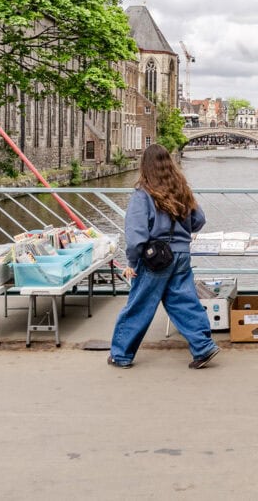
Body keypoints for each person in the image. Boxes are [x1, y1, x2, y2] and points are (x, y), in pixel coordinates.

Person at [109, 144, 219, 370]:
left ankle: (121, 354)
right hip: (181, 255)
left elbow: (136, 235)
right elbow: (199, 221)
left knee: (140, 304)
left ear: (144, 166)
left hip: (155, 258)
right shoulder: (181, 189)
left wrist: (132, 262)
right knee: (184, 301)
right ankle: (203, 346)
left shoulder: (143, 194)